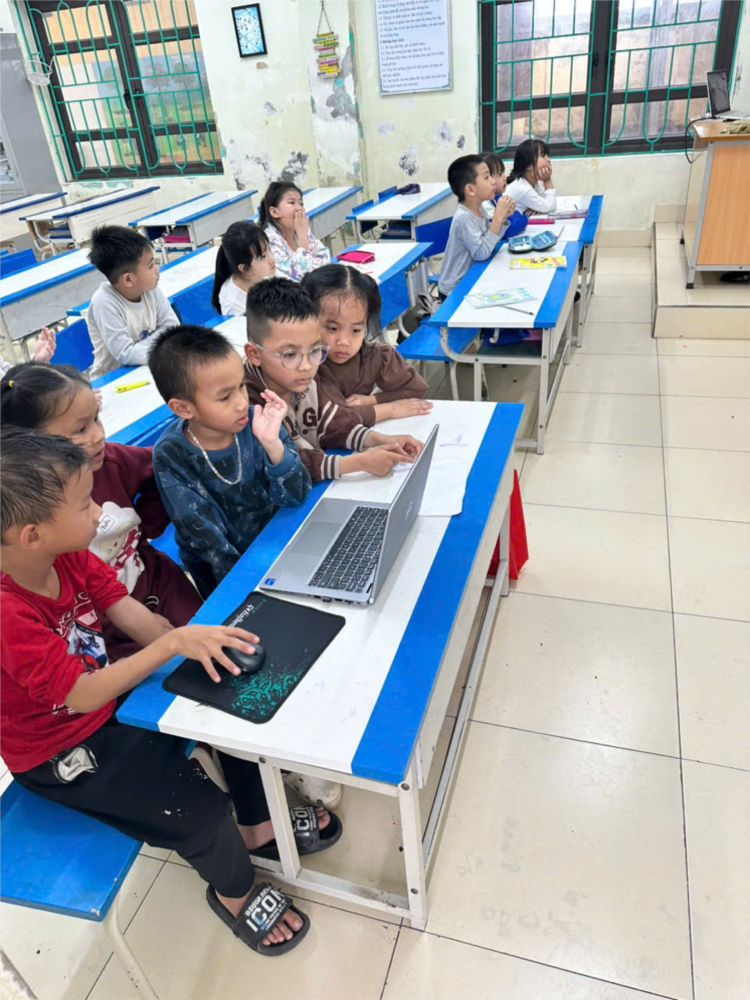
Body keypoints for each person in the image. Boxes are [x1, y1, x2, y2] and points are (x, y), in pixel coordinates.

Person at [0, 426, 341, 954]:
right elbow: (80, 694)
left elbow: (125, 611)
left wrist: (192, 651)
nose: (99, 513)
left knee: (225, 710)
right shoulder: (8, 612)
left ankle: (257, 827)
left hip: (107, 698)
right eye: (85, 505)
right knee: (199, 811)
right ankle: (234, 890)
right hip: (61, 748)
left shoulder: (66, 554)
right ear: (31, 535)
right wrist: (169, 646)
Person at [0, 361, 202, 660]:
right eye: (80, 429)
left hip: (157, 584)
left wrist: (146, 523)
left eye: (96, 418)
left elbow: (166, 464)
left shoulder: (111, 460)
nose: (97, 436)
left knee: (209, 645)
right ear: (32, 445)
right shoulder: (24, 518)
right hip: (97, 625)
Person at [148, 324, 311, 599]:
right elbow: (211, 545)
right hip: (225, 573)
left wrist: (273, 445)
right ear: (183, 408)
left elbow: (298, 494)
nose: (241, 402)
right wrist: (256, 590)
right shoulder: (172, 455)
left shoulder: (257, 423)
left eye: (241, 386)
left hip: (277, 540)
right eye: (225, 397)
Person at [243, 277, 424, 481]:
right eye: (290, 355)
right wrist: (357, 463)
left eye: (315, 350)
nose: (307, 366)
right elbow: (282, 463)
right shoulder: (246, 403)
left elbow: (333, 422)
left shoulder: (304, 381)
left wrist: (382, 440)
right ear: (254, 354)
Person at [302, 264, 432, 427]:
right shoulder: (307, 366)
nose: (344, 341)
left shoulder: (376, 355)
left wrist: (371, 400)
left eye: (356, 330)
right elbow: (334, 419)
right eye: (333, 328)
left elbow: (416, 389)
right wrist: (390, 409)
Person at [87, 225, 179, 379]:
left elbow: (173, 327)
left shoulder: (150, 288)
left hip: (145, 369)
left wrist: (142, 348)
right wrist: (164, 344)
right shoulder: (104, 302)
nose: (157, 269)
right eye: (150, 265)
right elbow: (126, 354)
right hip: (111, 380)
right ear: (128, 279)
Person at [437, 154, 516, 299]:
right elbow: (481, 253)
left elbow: (488, 243)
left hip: (472, 276)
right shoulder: (464, 218)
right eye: (486, 177)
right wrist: (497, 219)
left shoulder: (479, 209)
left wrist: (503, 218)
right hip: (454, 289)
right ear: (471, 190)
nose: (493, 181)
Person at [259, 182, 330, 282]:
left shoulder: (301, 230)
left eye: (301, 203)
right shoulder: (269, 242)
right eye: (292, 203)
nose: (299, 208)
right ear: (274, 212)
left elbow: (324, 257)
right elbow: (300, 277)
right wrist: (302, 238)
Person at [211, 220, 276, 317]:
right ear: (245, 269)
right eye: (263, 256)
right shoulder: (235, 308)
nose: (272, 259)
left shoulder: (264, 272)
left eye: (269, 249)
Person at [480, 152, 528, 238]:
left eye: (503, 172)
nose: (504, 177)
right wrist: (524, 218)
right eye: (499, 174)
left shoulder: (497, 196)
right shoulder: (484, 204)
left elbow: (515, 215)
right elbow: (509, 229)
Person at [505, 138, 557, 216]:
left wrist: (537, 208)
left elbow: (544, 203)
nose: (548, 160)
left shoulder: (535, 183)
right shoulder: (522, 187)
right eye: (542, 156)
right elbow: (551, 207)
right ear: (528, 165)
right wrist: (547, 181)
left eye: (547, 155)